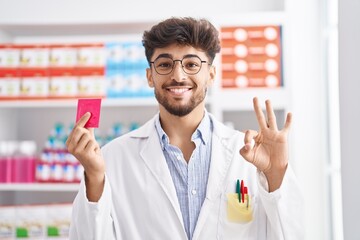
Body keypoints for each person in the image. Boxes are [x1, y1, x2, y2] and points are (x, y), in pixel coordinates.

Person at [66, 17, 304, 240]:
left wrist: (276, 173)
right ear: (150, 77)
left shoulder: (249, 156)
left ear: (211, 74)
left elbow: (292, 234)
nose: (178, 75)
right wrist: (95, 177)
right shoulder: (114, 158)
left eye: (191, 64)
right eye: (165, 64)